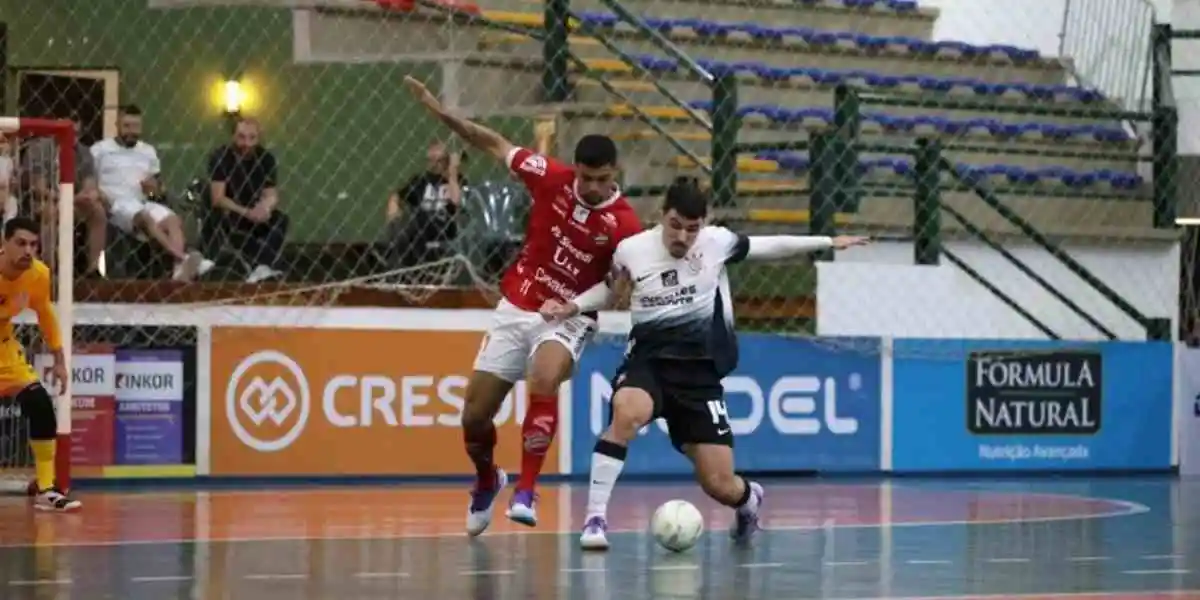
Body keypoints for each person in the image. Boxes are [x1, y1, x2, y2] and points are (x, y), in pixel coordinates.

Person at [538, 178, 870, 550]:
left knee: (719, 483)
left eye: (692, 229)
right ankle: (595, 520)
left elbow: (770, 245)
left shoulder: (717, 243)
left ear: (703, 224)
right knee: (626, 412)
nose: (682, 236)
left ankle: (748, 501)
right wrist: (573, 305)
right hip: (649, 362)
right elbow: (610, 288)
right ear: (662, 216)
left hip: (699, 375)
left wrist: (827, 242)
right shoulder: (631, 250)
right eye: (675, 225)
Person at [403, 75, 643, 535]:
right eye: (586, 177)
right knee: (474, 416)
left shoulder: (625, 225)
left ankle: (527, 490)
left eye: (603, 180)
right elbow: (492, 142)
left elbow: (618, 291)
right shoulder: (550, 177)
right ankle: (488, 477)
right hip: (518, 304)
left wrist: (600, 298)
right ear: (575, 168)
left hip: (569, 317)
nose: (592, 187)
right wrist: (438, 110)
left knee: (546, 374)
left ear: (615, 174)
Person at [0, 217, 79, 511]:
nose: (28, 251)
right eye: (20, 243)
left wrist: (59, 359)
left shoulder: (38, 275)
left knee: (40, 403)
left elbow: (45, 314)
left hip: (4, 352)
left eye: (33, 245)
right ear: (4, 243)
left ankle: (46, 488)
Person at [93, 105, 212, 281]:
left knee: (173, 220)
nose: (131, 131)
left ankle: (178, 267)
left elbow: (158, 185)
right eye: (126, 126)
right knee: (146, 218)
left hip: (142, 201)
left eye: (136, 126)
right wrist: (99, 195)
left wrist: (154, 188)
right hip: (115, 205)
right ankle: (183, 258)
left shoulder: (147, 151)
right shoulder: (100, 150)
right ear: (117, 124)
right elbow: (89, 180)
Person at [19, 115, 108, 276]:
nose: (74, 138)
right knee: (51, 211)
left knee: (98, 212)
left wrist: (90, 194)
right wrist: (70, 198)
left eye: (77, 134)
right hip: (43, 200)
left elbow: (89, 184)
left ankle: (93, 269)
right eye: (70, 133)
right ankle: (48, 268)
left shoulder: (83, 152)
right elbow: (39, 188)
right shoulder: (39, 149)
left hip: (73, 202)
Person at [208, 117, 288, 283]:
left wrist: (265, 208)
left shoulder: (266, 158)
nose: (247, 143)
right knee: (230, 225)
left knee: (281, 219)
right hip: (231, 212)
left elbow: (271, 194)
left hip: (255, 212)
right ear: (233, 136)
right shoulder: (221, 157)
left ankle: (259, 266)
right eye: (241, 137)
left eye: (252, 138)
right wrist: (246, 212)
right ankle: (263, 265)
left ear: (259, 138)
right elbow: (218, 198)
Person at [384, 141, 465, 269]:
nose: (434, 165)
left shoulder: (457, 180)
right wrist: (394, 208)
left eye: (439, 160)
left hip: (444, 227)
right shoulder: (420, 181)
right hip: (419, 227)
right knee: (404, 225)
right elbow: (397, 195)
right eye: (431, 160)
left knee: (418, 222)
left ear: (447, 161)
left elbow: (456, 201)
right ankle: (394, 269)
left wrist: (452, 174)